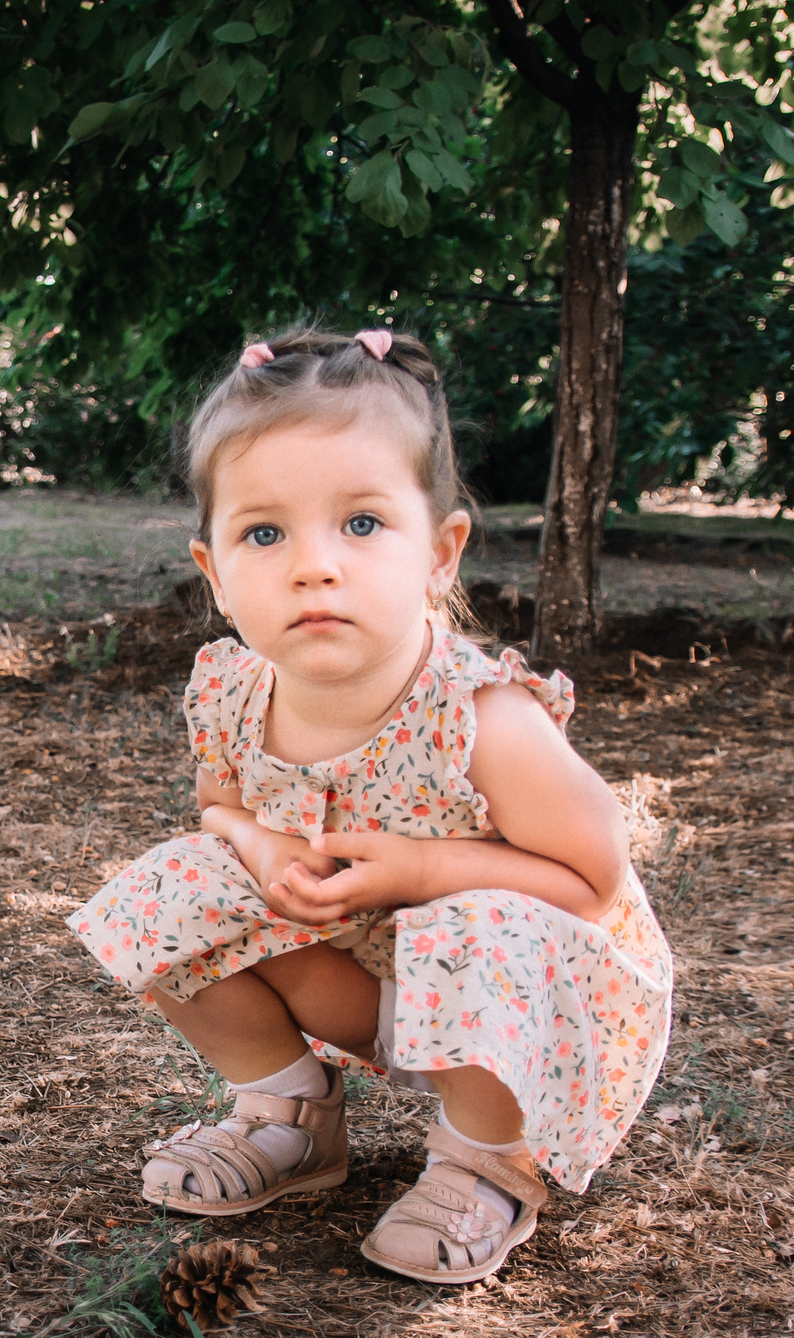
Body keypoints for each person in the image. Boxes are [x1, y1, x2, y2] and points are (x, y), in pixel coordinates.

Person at [69, 327, 673, 1284]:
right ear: (215, 572)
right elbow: (217, 804)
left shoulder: (481, 716)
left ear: (440, 552)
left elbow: (595, 879)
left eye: (361, 523)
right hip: (367, 981)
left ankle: (488, 1160)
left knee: (477, 922)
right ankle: (290, 1114)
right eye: (264, 533)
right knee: (174, 884)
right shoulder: (234, 693)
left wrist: (430, 869)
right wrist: (261, 850)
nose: (314, 565)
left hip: (521, 1007)